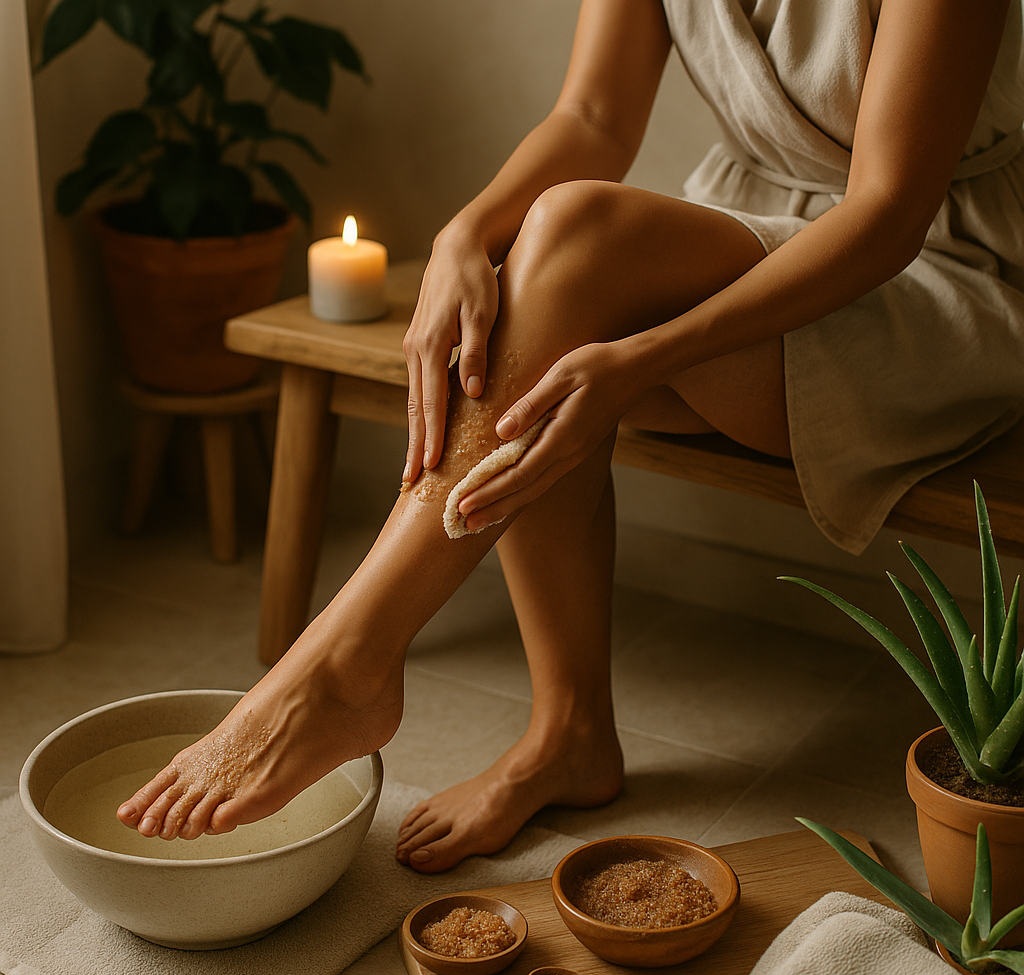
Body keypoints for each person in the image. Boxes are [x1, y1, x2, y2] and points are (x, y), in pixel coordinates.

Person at [116, 0, 1024, 872]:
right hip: (765, 232)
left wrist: (641, 356)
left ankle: (344, 665)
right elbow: (591, 117)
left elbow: (889, 212)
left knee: (570, 243)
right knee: (539, 271)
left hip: (939, 276)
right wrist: (463, 234)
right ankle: (566, 733)